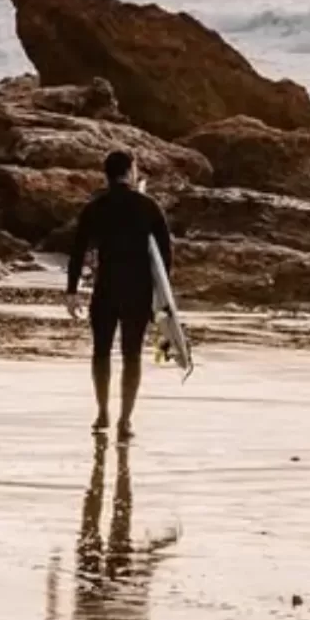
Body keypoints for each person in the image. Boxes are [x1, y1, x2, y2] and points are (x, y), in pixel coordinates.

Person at [64, 150, 176, 438]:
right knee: (132, 354)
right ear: (129, 172)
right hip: (138, 291)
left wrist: (72, 291)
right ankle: (125, 420)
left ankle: (102, 412)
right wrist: (162, 299)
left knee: (101, 352)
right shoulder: (149, 206)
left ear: (107, 174)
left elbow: (78, 250)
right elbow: (165, 256)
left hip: (106, 288)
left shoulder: (95, 208)